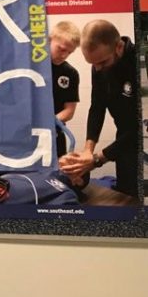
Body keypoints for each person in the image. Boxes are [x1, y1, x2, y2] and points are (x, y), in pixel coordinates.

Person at [59, 19, 140, 199]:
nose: (98, 69)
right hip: (124, 141)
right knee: (127, 194)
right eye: (93, 64)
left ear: (118, 47)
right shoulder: (99, 64)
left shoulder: (138, 65)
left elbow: (139, 127)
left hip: (141, 135)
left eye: (102, 63)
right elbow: (97, 107)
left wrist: (97, 159)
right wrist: (88, 149)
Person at [49, 21, 80, 158]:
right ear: (49, 40)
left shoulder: (70, 73)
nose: (64, 55)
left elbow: (69, 111)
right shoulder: (30, 66)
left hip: (54, 134)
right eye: (61, 49)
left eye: (69, 52)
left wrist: (48, 121)